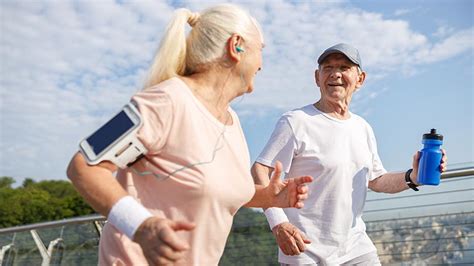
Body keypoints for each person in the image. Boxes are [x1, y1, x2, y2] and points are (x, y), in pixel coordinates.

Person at [66, 4, 313, 266]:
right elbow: (84, 165)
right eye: (260, 50)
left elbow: (211, 189)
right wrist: (142, 227)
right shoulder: (163, 101)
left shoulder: (233, 121)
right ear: (237, 46)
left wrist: (269, 197)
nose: (262, 64)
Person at [251, 43, 448, 265]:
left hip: (356, 249)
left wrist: (414, 176)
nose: (335, 73)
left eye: (344, 67)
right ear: (318, 77)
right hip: (305, 251)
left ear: (360, 79)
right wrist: (278, 223)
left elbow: (376, 180)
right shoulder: (296, 122)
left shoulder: (362, 127)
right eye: (328, 67)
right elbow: (260, 170)